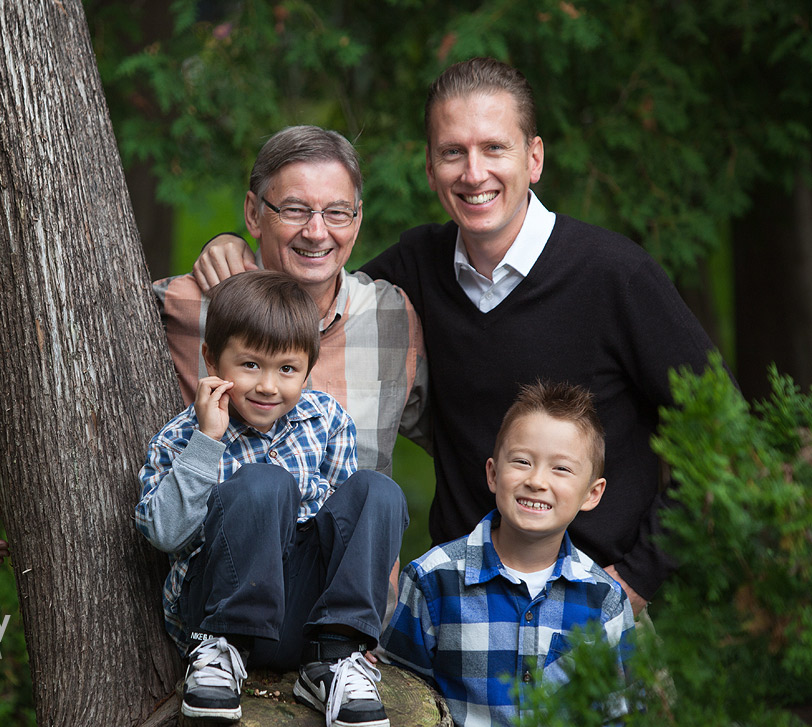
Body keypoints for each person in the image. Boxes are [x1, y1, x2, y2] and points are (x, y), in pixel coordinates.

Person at [193, 58, 720, 616]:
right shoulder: (415, 272)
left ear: (534, 158)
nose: (473, 173)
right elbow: (316, 281)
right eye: (452, 152)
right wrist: (236, 249)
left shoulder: (616, 277)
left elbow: (720, 434)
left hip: (591, 606)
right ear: (430, 169)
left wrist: (637, 578)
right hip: (455, 611)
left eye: (494, 148)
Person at [0, 125, 428, 565]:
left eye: (336, 212)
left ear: (357, 218)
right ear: (252, 213)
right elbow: (66, 363)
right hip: (220, 617)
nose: (317, 231)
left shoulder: (393, 318)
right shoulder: (185, 306)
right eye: (294, 209)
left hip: (351, 634)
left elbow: (461, 432)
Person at [135, 272, 407, 727]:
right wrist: (207, 442)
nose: (267, 386)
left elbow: (348, 530)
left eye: (286, 369)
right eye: (249, 365)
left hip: (305, 620)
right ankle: (222, 655)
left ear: (308, 367)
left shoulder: (327, 420)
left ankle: (335, 660)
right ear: (211, 359)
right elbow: (162, 534)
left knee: (378, 490)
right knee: (265, 483)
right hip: (220, 610)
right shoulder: (184, 435)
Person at [381, 381, 634, 727]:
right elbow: (400, 698)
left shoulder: (603, 601)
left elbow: (620, 724)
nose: (537, 481)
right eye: (522, 462)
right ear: (494, 474)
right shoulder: (433, 581)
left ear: (592, 494)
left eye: (561, 469)